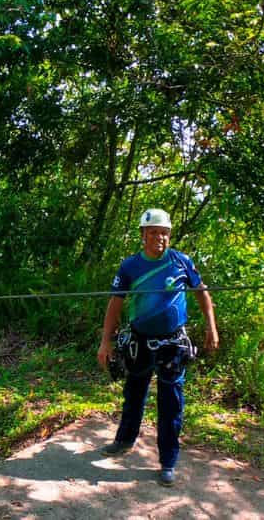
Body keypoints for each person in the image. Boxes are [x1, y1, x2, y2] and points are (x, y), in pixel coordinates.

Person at [96, 209, 219, 487]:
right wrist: (106, 341)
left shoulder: (181, 262)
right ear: (143, 235)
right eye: (153, 232)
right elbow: (115, 304)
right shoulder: (130, 267)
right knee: (134, 392)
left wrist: (211, 327)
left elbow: (202, 293)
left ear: (169, 235)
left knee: (171, 402)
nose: (159, 238)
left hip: (172, 343)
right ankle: (124, 440)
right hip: (140, 340)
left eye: (163, 233)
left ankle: (168, 462)